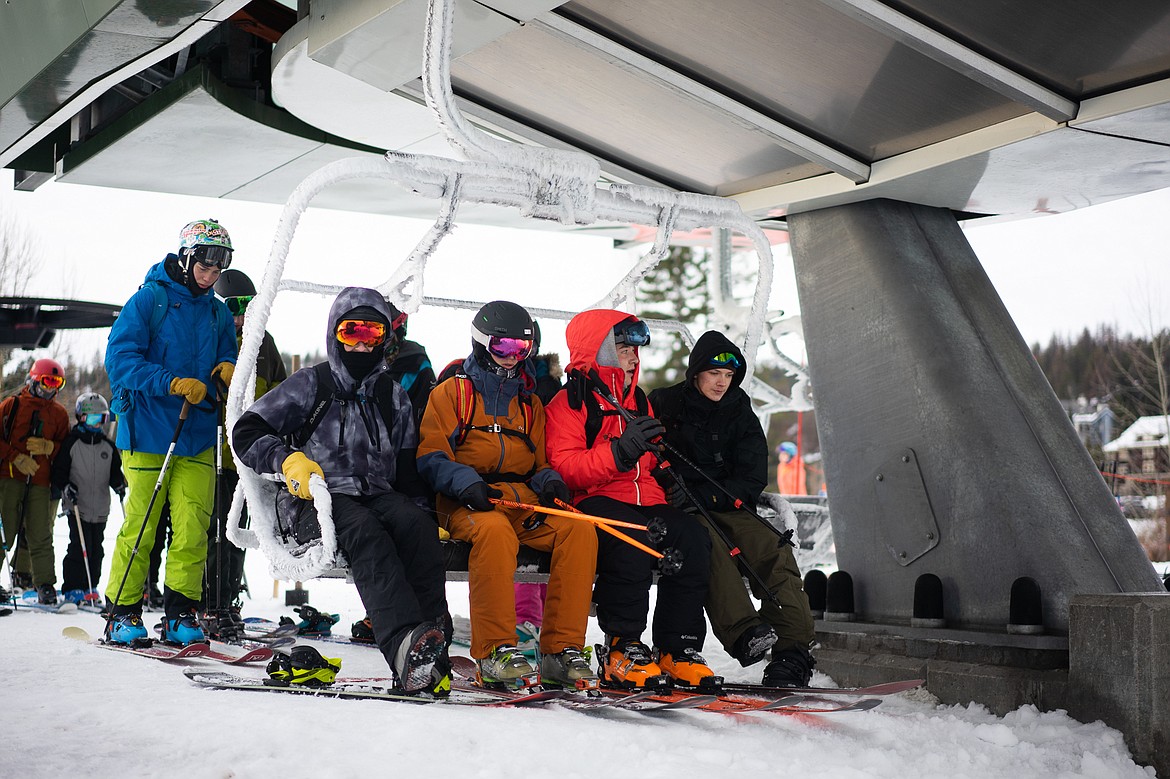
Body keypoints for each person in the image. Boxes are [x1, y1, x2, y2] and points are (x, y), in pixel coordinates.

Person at [233, 287, 450, 694]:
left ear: (386, 338)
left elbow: (405, 469)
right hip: (315, 500)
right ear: (335, 333)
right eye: (353, 332)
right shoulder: (310, 385)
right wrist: (287, 460)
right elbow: (247, 431)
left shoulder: (393, 396)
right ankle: (405, 646)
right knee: (365, 531)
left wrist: (422, 512)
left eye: (374, 333)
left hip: (376, 494)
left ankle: (431, 647)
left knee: (416, 529)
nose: (364, 343)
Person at [417, 301, 597, 690]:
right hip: (465, 501)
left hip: (520, 500)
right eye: (504, 348)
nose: (513, 358)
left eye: (522, 350)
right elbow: (431, 456)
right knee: (495, 532)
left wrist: (549, 480)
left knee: (579, 531)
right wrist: (465, 482)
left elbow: (539, 462)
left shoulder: (529, 405)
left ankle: (560, 651)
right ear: (482, 344)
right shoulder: (453, 394)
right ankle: (495, 649)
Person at [544, 310, 715, 689]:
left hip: (645, 499)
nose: (634, 358)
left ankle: (676, 647)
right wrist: (619, 453)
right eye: (624, 349)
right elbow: (566, 467)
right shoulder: (569, 403)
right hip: (593, 499)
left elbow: (649, 460)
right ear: (600, 350)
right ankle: (623, 645)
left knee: (692, 537)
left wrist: (666, 477)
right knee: (632, 537)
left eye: (636, 350)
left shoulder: (636, 398)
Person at [649, 331, 817, 687]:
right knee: (709, 546)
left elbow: (752, 474)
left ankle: (792, 651)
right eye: (714, 374)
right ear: (696, 373)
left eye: (728, 376)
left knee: (773, 548)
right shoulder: (665, 403)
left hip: (730, 505)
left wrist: (715, 496)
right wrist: (670, 490)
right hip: (684, 512)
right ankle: (744, 632)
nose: (721, 383)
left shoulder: (739, 410)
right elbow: (648, 458)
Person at [103, 218, 238, 645]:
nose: (211, 275)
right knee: (141, 525)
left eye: (219, 268)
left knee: (193, 526)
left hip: (197, 433)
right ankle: (122, 612)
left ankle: (181, 612)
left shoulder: (217, 312)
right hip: (148, 432)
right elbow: (119, 360)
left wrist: (229, 370)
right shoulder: (149, 301)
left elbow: (227, 354)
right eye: (204, 265)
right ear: (186, 257)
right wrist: (172, 382)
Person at [203, 269, 288, 639]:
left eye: (248, 306)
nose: (240, 315)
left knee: (237, 531)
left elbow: (281, 394)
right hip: (213, 451)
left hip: (247, 456)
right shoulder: (209, 337)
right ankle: (205, 601)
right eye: (233, 306)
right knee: (212, 530)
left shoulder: (262, 343)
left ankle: (227, 599)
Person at [0, 359, 70, 604]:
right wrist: (14, 457)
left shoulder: (59, 414)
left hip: (41, 480)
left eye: (56, 382)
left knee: (40, 533)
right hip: (10, 476)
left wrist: (50, 447)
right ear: (34, 379)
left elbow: (66, 449)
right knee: (5, 531)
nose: (51, 388)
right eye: (47, 381)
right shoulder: (13, 405)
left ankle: (45, 584)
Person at [50, 392, 126, 604]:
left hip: (100, 507)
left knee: (97, 550)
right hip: (77, 505)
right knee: (78, 546)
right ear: (80, 417)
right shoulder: (71, 443)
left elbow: (114, 473)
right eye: (92, 419)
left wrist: (119, 484)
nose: (96, 425)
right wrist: (66, 487)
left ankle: (91, 587)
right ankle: (73, 587)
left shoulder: (108, 447)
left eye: (101, 419)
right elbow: (59, 472)